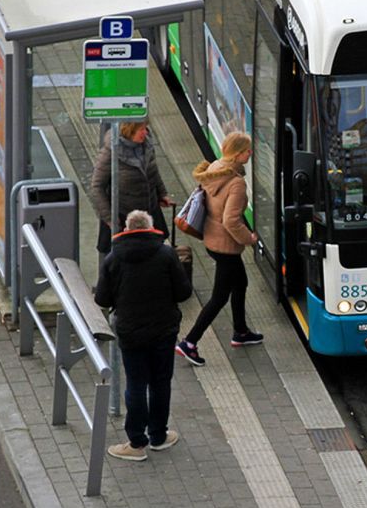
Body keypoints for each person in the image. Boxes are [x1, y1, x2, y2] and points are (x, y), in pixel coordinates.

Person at [95, 209, 192, 461]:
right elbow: (183, 293)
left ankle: (136, 443)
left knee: (136, 384)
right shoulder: (166, 254)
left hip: (130, 331)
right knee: (161, 382)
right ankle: (159, 436)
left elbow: (102, 298)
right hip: (164, 330)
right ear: (150, 228)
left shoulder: (113, 258)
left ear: (127, 229)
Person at [176, 132, 262, 366]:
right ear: (237, 154)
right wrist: (250, 238)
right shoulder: (235, 183)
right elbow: (231, 221)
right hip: (225, 246)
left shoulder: (215, 167)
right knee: (219, 297)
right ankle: (189, 342)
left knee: (241, 283)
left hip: (212, 240)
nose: (250, 154)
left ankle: (241, 332)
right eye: (246, 151)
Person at [90, 121, 174, 256]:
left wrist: (162, 193)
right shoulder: (111, 152)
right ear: (129, 130)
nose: (145, 132)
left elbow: (153, 170)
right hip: (124, 219)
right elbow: (96, 187)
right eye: (141, 129)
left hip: (150, 213)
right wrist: (110, 219)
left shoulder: (147, 144)